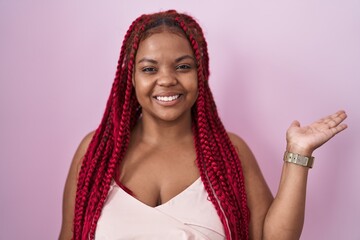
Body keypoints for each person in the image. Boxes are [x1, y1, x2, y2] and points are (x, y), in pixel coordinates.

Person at [59, 10, 348, 240]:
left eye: (183, 66)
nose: (167, 79)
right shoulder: (96, 152)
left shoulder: (229, 151)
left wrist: (299, 153)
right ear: (130, 78)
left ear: (201, 73)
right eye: (149, 69)